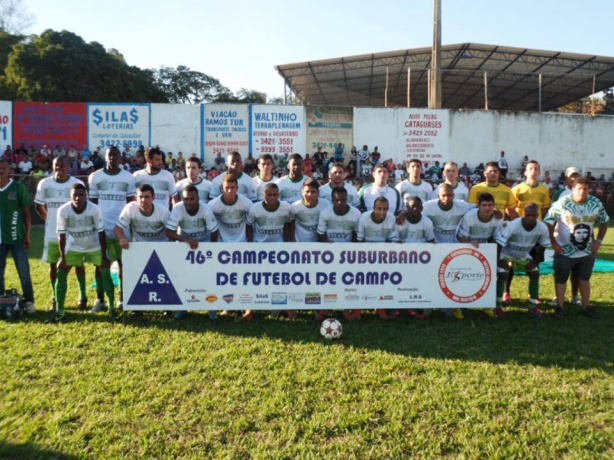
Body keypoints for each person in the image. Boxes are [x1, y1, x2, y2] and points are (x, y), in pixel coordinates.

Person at [47, 184, 116, 323]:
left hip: (94, 244)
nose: (78, 198)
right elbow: (61, 236)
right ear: (70, 196)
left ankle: (112, 309)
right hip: (75, 246)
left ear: (86, 195)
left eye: (81, 194)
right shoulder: (63, 210)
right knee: (61, 272)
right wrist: (63, 258)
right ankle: (60, 311)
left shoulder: (95, 209)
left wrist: (104, 256)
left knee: (105, 271)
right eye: (75, 195)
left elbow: (101, 232)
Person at [545, 177, 610, 319]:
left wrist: (598, 241)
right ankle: (560, 306)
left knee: (584, 278)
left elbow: (605, 221)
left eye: (585, 189)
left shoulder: (595, 203)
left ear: (589, 189)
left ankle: (586, 306)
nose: (582, 192)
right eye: (579, 188)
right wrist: (554, 243)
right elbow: (549, 221)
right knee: (561, 278)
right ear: (572, 189)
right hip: (564, 249)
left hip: (587, 250)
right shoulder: (562, 203)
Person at [88, 146, 137, 314]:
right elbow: (92, 204)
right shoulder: (95, 177)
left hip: (121, 228)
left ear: (121, 158)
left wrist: (128, 226)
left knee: (123, 263)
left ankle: (123, 297)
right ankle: (100, 299)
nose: (113, 158)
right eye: (110, 155)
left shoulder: (128, 178)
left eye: (116, 156)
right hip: (101, 228)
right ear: (105, 157)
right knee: (101, 263)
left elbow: (131, 203)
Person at [35, 157, 86, 311]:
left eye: (63, 166)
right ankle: (55, 298)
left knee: (78, 263)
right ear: (53, 167)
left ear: (69, 167)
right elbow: (38, 205)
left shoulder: (77, 184)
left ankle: (82, 296)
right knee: (53, 265)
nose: (60, 168)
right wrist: (49, 219)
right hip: (52, 232)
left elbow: (83, 206)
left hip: (73, 233)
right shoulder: (45, 183)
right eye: (57, 166)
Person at [166, 184, 219, 321]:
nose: (188, 202)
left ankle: (212, 308)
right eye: (185, 199)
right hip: (186, 245)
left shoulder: (205, 209)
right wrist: (186, 240)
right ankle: (182, 308)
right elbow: (169, 231)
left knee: (208, 278)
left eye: (191, 199)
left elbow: (214, 231)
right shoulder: (178, 208)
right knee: (184, 278)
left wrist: (210, 251)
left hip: (204, 244)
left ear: (198, 198)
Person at [423, 183, 473, 319]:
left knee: (451, 277)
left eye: (449, 195)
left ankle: (448, 306)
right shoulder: (428, 206)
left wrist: (495, 212)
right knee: (432, 277)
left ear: (454, 195)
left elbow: (476, 209)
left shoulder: (462, 205)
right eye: (443, 195)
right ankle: (429, 305)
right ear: (438, 195)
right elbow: (414, 212)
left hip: (452, 247)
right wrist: (403, 213)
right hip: (433, 246)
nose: (446, 198)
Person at [495, 203, 551, 318]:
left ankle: (532, 306)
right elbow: (499, 243)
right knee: (503, 274)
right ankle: (498, 306)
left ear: (537, 215)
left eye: (533, 215)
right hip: (506, 254)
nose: (530, 218)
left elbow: (543, 245)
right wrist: (498, 260)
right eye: (528, 215)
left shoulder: (542, 227)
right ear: (523, 214)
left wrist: (535, 261)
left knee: (535, 273)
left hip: (523, 256)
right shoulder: (513, 225)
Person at [456, 192, 504, 318]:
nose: (487, 208)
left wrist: (495, 257)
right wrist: (469, 243)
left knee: (490, 276)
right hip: (467, 248)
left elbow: (497, 238)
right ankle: (458, 306)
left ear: (494, 206)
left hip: (486, 250)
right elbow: (461, 236)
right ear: (478, 206)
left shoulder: (498, 217)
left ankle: (488, 305)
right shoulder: (470, 216)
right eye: (484, 205)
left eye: (490, 205)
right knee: (462, 276)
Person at [317, 187, 361, 320]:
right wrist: (329, 250)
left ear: (347, 199)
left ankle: (348, 309)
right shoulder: (325, 212)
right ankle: (325, 308)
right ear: (332, 200)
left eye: (343, 199)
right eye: (337, 200)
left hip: (347, 254)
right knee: (327, 282)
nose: (340, 202)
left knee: (348, 282)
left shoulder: (355, 213)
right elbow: (321, 233)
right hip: (329, 254)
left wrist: (349, 250)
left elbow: (356, 234)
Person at [0, 160, 35, 313]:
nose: (0, 171)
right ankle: (1, 301)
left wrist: (27, 235)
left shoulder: (18, 187)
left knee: (23, 271)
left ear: (8, 170)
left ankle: (29, 301)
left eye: (3, 168)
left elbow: (27, 213)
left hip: (17, 238)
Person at [357, 196, 399, 320]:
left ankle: (380, 306)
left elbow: (393, 242)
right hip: (365, 255)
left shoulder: (391, 219)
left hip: (383, 256)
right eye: (379, 208)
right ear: (373, 208)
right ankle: (358, 309)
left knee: (382, 282)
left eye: (385, 209)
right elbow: (359, 241)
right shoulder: (364, 218)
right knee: (361, 282)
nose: (382, 212)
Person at [208, 175, 252, 243]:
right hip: (222, 243)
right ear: (222, 189)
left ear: (237, 188)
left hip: (242, 242)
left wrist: (250, 243)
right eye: (227, 187)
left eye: (233, 187)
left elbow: (251, 224)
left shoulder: (247, 203)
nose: (230, 190)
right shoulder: (212, 205)